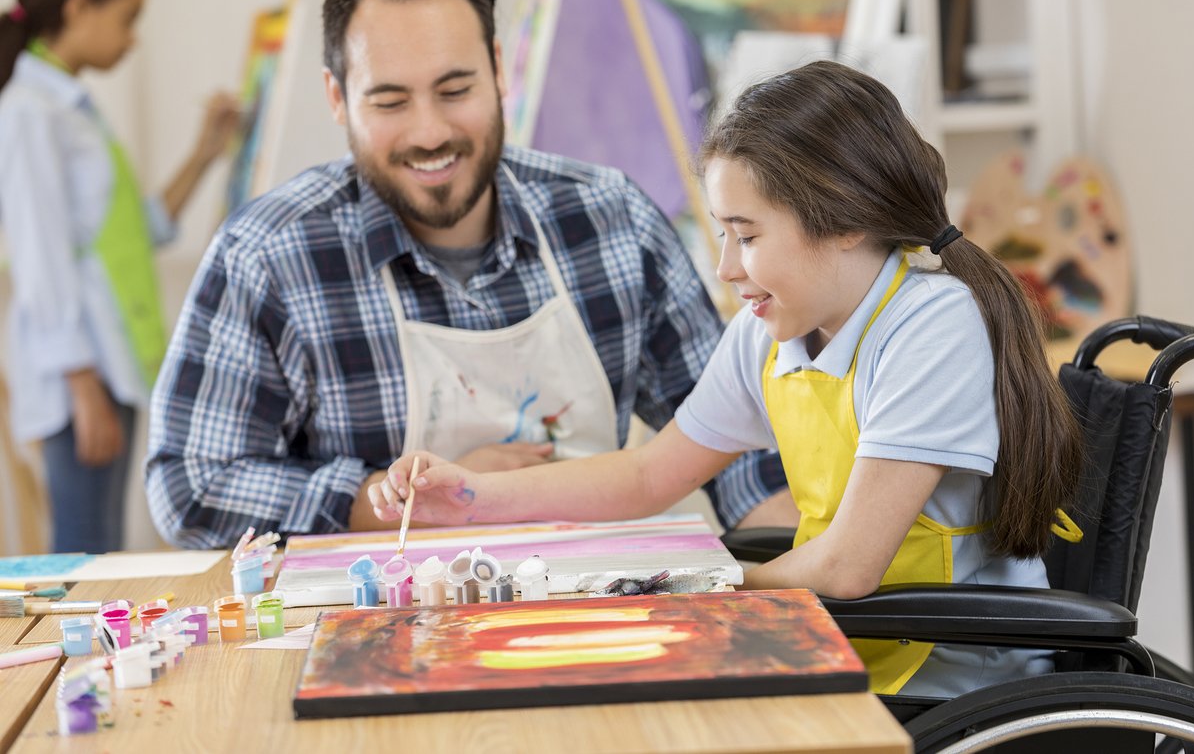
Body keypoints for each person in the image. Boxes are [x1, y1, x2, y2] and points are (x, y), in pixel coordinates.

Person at [373, 60, 1084, 698]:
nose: (726, 267)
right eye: (721, 233)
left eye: (746, 235)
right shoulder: (771, 333)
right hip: (845, 646)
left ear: (843, 219)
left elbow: (848, 569)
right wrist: (467, 498)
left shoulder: (930, 324)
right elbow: (650, 475)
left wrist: (696, 584)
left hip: (950, 682)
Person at [144, 0, 788, 550]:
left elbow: (733, 432)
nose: (430, 132)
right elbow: (191, 487)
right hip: (377, 631)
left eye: (455, 92)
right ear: (338, 99)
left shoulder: (610, 218)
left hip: (595, 611)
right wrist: (394, 504)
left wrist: (808, 574)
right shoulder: (268, 255)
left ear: (499, 70)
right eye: (390, 101)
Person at [0, 0, 238, 554]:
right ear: (79, 6)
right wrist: (82, 386)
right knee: (85, 556)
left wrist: (206, 152)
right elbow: (39, 259)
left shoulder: (72, 109)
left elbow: (141, 230)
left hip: (110, 365)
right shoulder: (29, 112)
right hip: (82, 374)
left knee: (99, 548)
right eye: (127, 18)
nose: (132, 39)